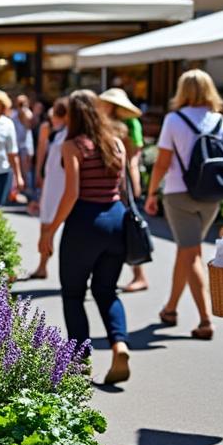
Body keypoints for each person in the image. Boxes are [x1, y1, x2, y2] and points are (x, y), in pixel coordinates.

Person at [41, 90, 137, 385]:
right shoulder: (116, 143)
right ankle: (119, 345)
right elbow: (122, 188)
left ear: (72, 115)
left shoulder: (73, 146)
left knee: (73, 293)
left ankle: (79, 362)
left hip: (84, 222)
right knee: (107, 292)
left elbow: (71, 193)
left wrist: (50, 229)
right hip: (116, 221)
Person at [144, 70, 223, 341]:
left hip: (179, 193)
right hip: (211, 196)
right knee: (187, 252)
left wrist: (151, 194)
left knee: (190, 253)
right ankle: (170, 309)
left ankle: (206, 319)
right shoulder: (222, 121)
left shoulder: (174, 120)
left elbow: (162, 162)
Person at [99, 87, 150, 293]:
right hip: (109, 176)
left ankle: (139, 275)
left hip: (122, 179)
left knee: (129, 225)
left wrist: (134, 181)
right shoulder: (104, 124)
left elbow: (134, 157)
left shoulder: (130, 124)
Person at [27, 99, 69, 279]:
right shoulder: (53, 131)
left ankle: (44, 265)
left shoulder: (71, 134)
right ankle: (43, 265)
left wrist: (40, 174)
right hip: (53, 183)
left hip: (61, 184)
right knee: (46, 225)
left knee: (49, 226)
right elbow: (43, 153)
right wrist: (39, 174)